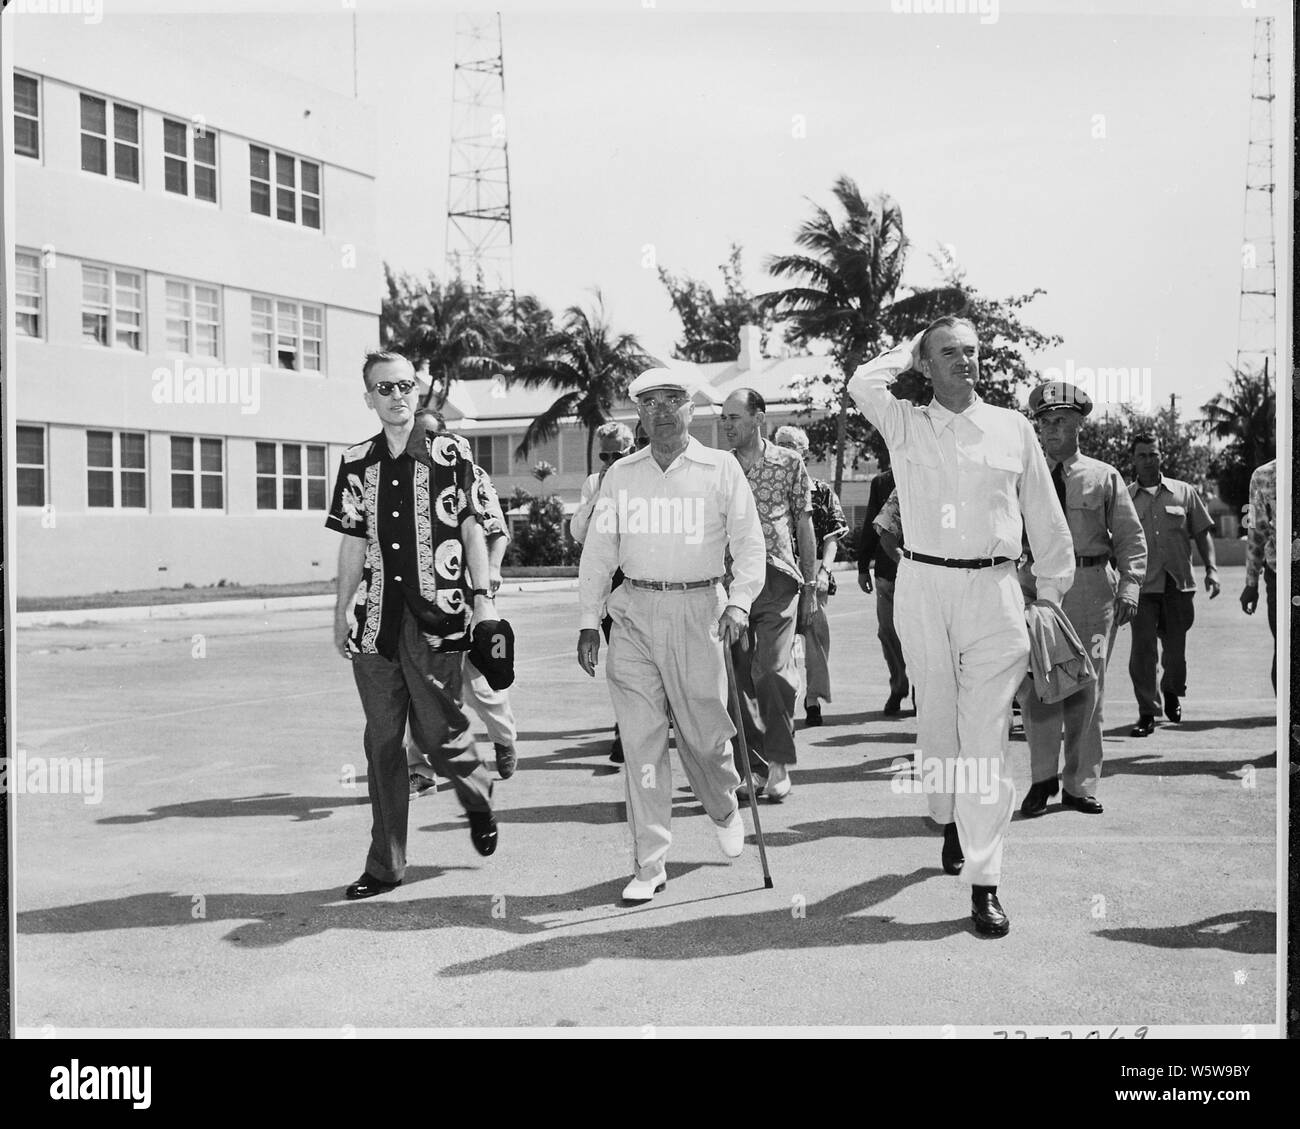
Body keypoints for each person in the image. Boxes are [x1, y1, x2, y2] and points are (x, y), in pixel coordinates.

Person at [848, 317, 1075, 938]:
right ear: (924, 364)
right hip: (923, 589)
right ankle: (949, 814)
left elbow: (1045, 518)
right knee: (939, 726)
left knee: (987, 738)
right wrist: (910, 348)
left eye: (971, 352)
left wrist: (1051, 595)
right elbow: (861, 382)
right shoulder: (905, 422)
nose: (965, 361)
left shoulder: (1012, 427)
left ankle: (985, 881)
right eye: (948, 353)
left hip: (995, 593)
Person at [576, 368, 766, 903]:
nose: (661, 410)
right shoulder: (622, 475)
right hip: (633, 610)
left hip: (699, 609)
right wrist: (589, 622)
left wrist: (740, 602)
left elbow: (749, 544)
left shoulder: (720, 467)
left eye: (672, 400)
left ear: (691, 409)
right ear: (639, 412)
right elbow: (599, 553)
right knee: (641, 742)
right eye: (650, 402)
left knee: (706, 737)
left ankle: (724, 802)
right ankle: (649, 861)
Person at [328, 351, 499, 900]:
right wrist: (341, 610)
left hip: (438, 620)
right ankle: (385, 866)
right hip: (375, 622)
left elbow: (475, 529)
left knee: (439, 734)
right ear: (369, 398)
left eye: (405, 385)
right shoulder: (357, 462)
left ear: (417, 389)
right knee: (383, 743)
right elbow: (353, 541)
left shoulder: (452, 453)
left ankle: (477, 797)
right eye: (384, 388)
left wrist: (483, 600)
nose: (397, 395)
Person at [1015, 382, 1147, 817]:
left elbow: (1130, 537)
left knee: (1087, 687)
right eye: (1044, 422)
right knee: (1038, 689)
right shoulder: (1021, 476)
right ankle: (1040, 781)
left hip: (1091, 589)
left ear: (1077, 427)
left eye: (1059, 422)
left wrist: (1130, 585)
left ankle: (1080, 784)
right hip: (1036, 587)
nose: (1050, 430)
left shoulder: (1102, 475)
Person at [406, 408, 519, 789]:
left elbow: (496, 530)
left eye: (427, 437)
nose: (420, 444)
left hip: (467, 595)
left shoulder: (470, 474)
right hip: (420, 600)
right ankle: (420, 768)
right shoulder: (400, 476)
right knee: (418, 686)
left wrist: (491, 573)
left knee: (479, 686)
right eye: (413, 437)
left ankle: (503, 740)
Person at [720, 389, 817, 800]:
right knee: (737, 682)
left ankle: (778, 763)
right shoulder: (718, 467)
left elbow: (805, 525)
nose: (727, 425)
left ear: (759, 418)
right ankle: (752, 769)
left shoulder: (788, 463)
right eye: (723, 418)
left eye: (735, 417)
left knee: (773, 672)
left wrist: (811, 585)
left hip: (778, 580)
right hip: (730, 583)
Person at [1126, 434, 1219, 736]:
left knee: (1175, 653)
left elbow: (1202, 532)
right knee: (1143, 653)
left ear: (1162, 455)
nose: (1149, 460)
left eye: (1154, 454)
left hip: (1178, 585)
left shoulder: (1184, 492)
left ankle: (1171, 690)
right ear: (1134, 460)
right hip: (1141, 586)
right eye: (1142, 455)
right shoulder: (1124, 498)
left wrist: (1212, 569)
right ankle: (1147, 713)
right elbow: (1118, 540)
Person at [570, 421, 637, 763]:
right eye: (604, 454)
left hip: (642, 578)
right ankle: (624, 728)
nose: (610, 460)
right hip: (611, 584)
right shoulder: (595, 484)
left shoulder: (642, 478)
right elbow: (579, 532)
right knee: (622, 661)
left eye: (618, 454)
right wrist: (602, 493)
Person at [773, 425, 848, 726]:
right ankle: (785, 699)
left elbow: (832, 536)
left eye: (791, 445)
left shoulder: (821, 491)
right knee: (779, 642)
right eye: (780, 444)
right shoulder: (768, 486)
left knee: (816, 639)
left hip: (812, 575)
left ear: (804, 451)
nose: (786, 449)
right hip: (777, 577)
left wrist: (825, 570)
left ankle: (813, 698)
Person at [1240, 458, 1277, 691]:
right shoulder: (1264, 476)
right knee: (1287, 648)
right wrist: (1251, 583)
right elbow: (1256, 532)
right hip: (1282, 577)